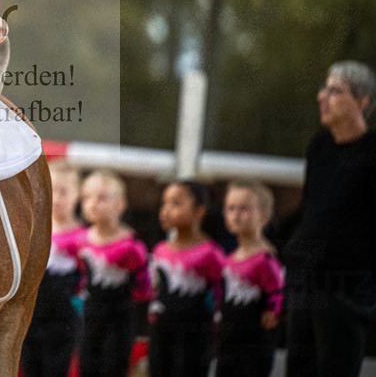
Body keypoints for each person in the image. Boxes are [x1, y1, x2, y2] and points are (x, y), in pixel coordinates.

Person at [284, 60, 376, 377]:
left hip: (345, 291)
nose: (322, 96)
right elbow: (312, 210)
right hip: (304, 282)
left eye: (335, 90)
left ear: (362, 102)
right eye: (324, 88)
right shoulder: (319, 147)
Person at [76, 170, 150, 377]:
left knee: (113, 367)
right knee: (87, 366)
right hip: (90, 316)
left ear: (121, 204)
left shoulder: (132, 247)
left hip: (119, 318)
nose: (92, 204)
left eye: (102, 198)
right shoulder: (80, 241)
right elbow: (79, 280)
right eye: (86, 198)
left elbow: (143, 290)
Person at [148, 180, 225, 377]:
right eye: (164, 203)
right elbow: (155, 290)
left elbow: (221, 293)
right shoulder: (160, 250)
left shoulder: (211, 254)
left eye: (176, 203)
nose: (166, 210)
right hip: (161, 332)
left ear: (199, 212)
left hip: (195, 333)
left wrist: (217, 328)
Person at [21, 161, 85, 377]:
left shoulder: (84, 237)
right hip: (31, 315)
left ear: (77, 195)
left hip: (64, 321)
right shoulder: (33, 230)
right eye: (52, 190)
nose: (56, 198)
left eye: (64, 192)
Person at [216, 180, 284, 377]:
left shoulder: (266, 259)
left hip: (253, 348)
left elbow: (278, 293)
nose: (236, 215)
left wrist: (274, 310)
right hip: (228, 344)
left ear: (264, 216)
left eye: (244, 208)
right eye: (230, 208)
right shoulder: (229, 259)